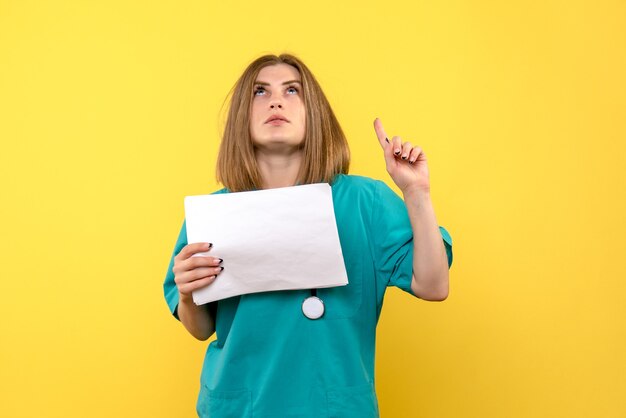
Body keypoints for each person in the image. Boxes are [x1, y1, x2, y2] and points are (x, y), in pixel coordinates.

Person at [163, 53, 454, 417]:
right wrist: (188, 294)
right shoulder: (212, 213)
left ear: (313, 112)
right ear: (242, 116)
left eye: (292, 90)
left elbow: (433, 285)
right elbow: (201, 328)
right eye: (259, 92)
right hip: (241, 408)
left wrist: (417, 193)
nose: (276, 100)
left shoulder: (365, 202)